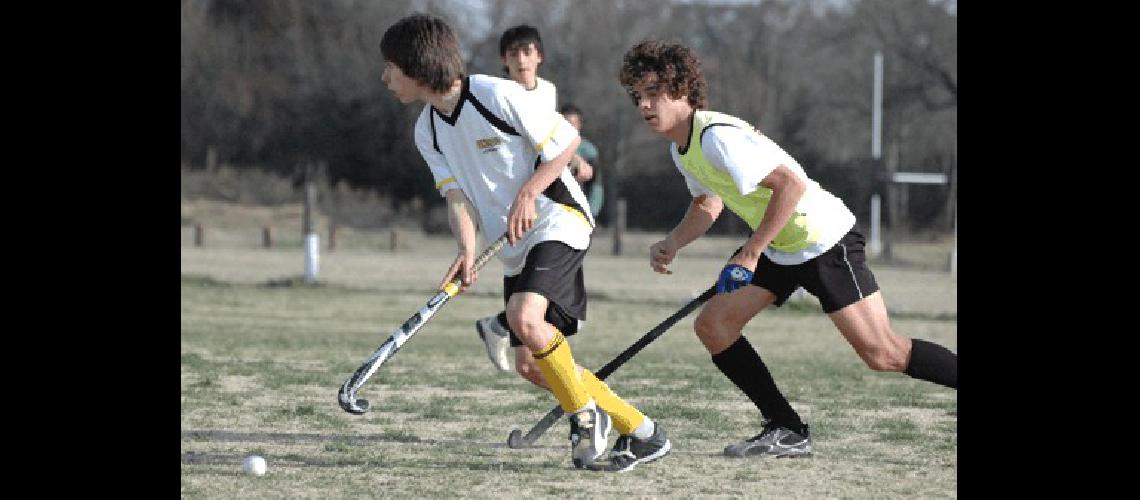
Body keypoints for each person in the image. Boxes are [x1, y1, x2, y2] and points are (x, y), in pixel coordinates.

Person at [618, 39, 957, 459]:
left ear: (682, 90)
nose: (645, 105)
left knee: (883, 353)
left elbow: (791, 185)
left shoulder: (717, 138)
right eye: (638, 96)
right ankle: (787, 428)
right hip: (778, 246)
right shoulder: (682, 149)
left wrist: (752, 251)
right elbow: (708, 202)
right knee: (714, 326)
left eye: (654, 93)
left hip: (823, 238)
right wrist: (674, 242)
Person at [379, 14, 670, 472]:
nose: (385, 77)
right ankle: (643, 431)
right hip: (513, 245)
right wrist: (467, 250)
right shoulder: (427, 130)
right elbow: (458, 198)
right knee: (533, 366)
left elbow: (566, 143)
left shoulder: (496, 94)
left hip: (560, 219)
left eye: (390, 66)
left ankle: (585, 418)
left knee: (523, 317)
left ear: (416, 67)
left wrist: (531, 192)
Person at [560, 103, 604, 219]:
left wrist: (590, 211)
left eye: (572, 124)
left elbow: (596, 184)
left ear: (579, 125)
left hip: (580, 212)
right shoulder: (549, 147)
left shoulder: (588, 151)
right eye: (565, 123)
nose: (569, 127)